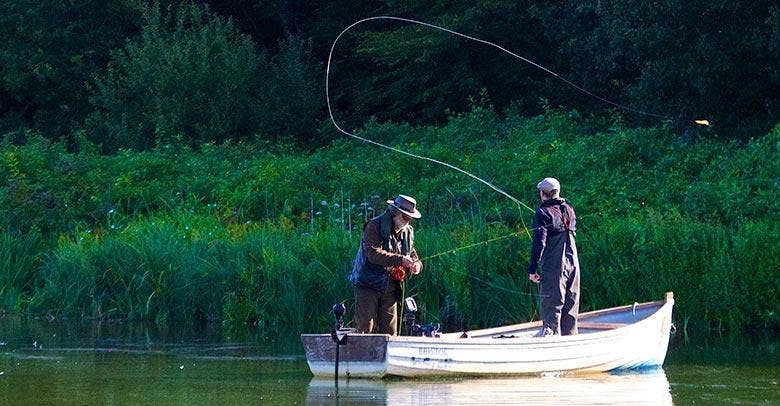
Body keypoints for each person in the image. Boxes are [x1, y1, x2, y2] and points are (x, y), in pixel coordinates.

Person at [348, 194, 423, 335]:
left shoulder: (407, 231)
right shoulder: (374, 226)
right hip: (367, 284)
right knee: (365, 328)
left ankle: (386, 356)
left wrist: (416, 265)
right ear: (395, 213)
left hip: (391, 288)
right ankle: (361, 355)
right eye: (406, 217)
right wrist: (401, 260)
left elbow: (412, 254)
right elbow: (373, 254)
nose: (409, 221)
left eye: (411, 218)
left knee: (389, 332)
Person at [527, 177, 580, 336]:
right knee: (571, 303)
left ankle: (552, 341)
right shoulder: (569, 209)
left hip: (555, 264)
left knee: (552, 304)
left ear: (542, 194)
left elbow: (539, 243)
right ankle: (570, 340)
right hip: (573, 262)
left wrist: (532, 268)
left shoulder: (542, 213)